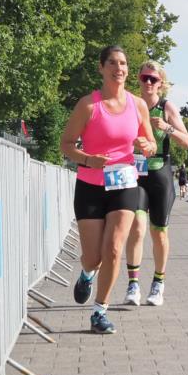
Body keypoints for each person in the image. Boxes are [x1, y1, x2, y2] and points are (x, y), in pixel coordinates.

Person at [60, 45, 156, 334]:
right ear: (101, 68)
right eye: (112, 62)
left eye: (124, 63)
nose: (119, 68)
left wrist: (146, 146)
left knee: (114, 249)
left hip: (124, 184)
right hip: (90, 185)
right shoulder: (88, 105)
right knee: (94, 257)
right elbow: (65, 145)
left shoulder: (138, 105)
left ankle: (99, 311)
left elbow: (150, 144)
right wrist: (89, 159)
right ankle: (88, 273)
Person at [123, 61, 188, 307]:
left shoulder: (166, 107)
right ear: (139, 80)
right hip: (137, 173)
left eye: (153, 79)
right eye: (145, 78)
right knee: (137, 228)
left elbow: (187, 142)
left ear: (161, 83)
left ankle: (158, 283)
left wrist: (168, 127)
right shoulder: (131, 104)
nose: (148, 83)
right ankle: (133, 284)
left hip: (160, 172)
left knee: (158, 232)